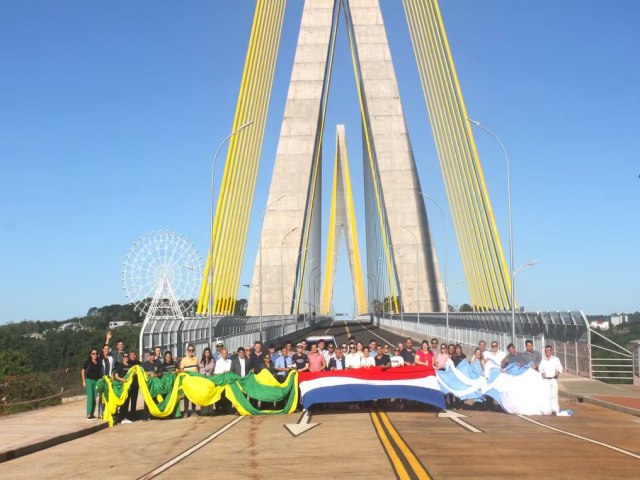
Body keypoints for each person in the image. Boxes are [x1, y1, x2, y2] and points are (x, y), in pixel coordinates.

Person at [539, 345, 563, 414]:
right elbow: (540, 369)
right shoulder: (543, 360)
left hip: (553, 379)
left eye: (549, 350)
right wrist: (542, 373)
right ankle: (546, 410)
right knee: (546, 395)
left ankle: (554, 410)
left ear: (551, 351)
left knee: (554, 395)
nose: (547, 352)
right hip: (545, 380)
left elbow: (560, 368)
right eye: (546, 350)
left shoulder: (556, 359)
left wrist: (557, 373)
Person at [141, 349, 163, 420]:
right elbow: (142, 372)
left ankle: (156, 414)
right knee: (147, 399)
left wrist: (156, 375)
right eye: (151, 355)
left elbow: (161, 373)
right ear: (149, 356)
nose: (152, 357)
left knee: (156, 399)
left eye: (153, 355)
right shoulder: (145, 364)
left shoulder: (158, 363)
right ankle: (146, 416)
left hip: (156, 384)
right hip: (148, 385)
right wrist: (149, 373)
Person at [113, 351, 134, 424]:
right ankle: (120, 418)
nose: (126, 358)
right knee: (122, 402)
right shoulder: (120, 366)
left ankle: (125, 417)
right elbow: (116, 376)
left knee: (127, 402)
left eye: (127, 356)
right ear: (122, 358)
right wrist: (122, 380)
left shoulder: (131, 366)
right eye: (124, 356)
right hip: (121, 387)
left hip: (128, 387)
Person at [81, 349, 101, 420]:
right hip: (89, 380)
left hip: (96, 381)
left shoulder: (99, 362)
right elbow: (83, 371)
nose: (95, 355)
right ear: (91, 355)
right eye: (93, 353)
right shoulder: (88, 362)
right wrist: (84, 381)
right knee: (90, 398)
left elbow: (104, 351)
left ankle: (92, 414)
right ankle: (88, 414)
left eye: (96, 353)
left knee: (94, 398)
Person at [179, 344, 199, 417]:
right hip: (187, 381)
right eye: (189, 350)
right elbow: (181, 370)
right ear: (187, 351)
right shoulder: (184, 360)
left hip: (194, 381)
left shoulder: (196, 359)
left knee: (193, 396)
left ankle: (194, 411)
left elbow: (198, 369)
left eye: (192, 350)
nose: (191, 351)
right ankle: (186, 411)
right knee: (186, 397)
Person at [125, 350, 140, 422]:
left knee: (134, 400)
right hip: (128, 385)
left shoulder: (139, 363)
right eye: (131, 355)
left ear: (136, 356)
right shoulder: (128, 363)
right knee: (127, 400)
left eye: (134, 355)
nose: (133, 356)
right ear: (129, 356)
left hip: (136, 385)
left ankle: (133, 414)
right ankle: (126, 415)